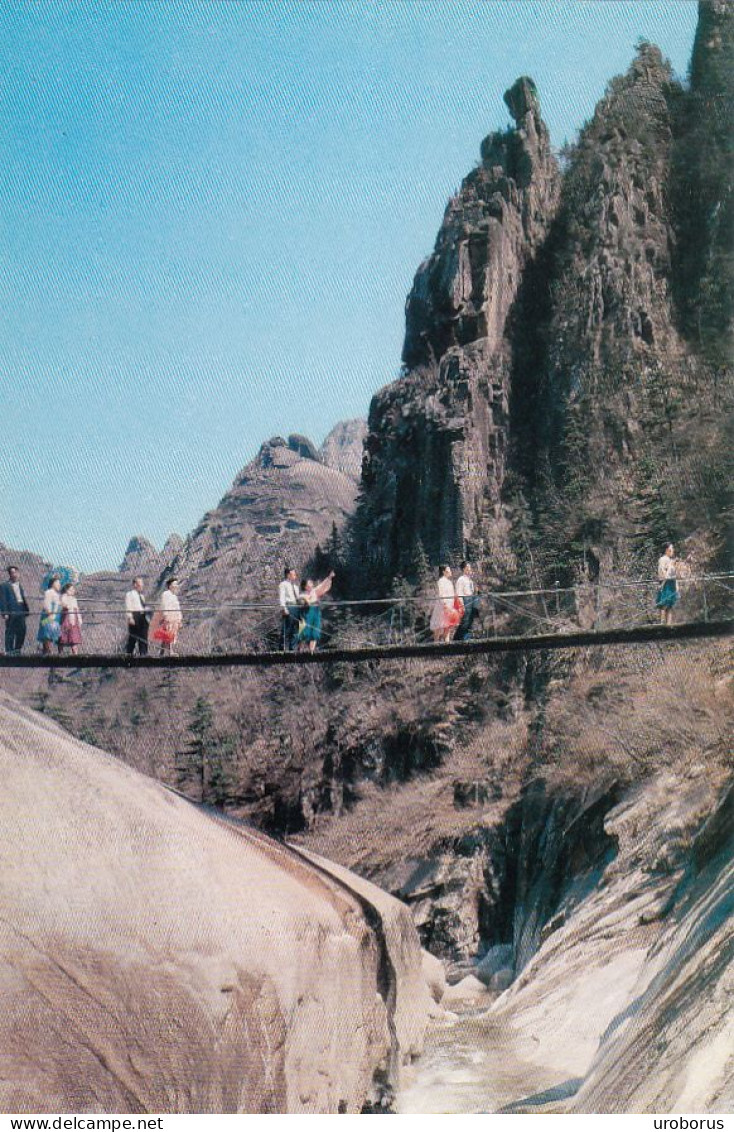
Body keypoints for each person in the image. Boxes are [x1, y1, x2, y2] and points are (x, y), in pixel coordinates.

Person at [298, 572, 334, 653]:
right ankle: (300, 650)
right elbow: (301, 599)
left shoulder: (314, 591)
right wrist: (306, 600)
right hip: (306, 613)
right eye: (309, 583)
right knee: (304, 632)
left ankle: (311, 651)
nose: (311, 584)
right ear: (305, 586)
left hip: (315, 612)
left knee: (315, 631)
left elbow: (322, 586)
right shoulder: (302, 594)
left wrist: (329, 578)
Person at [0, 565, 30, 655]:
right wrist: (5, 612)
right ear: (9, 574)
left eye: (16, 572)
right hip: (11, 610)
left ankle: (17, 649)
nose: (15, 574)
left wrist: (26, 610)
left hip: (21, 609)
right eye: (12, 573)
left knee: (22, 630)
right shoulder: (4, 585)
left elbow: (21, 598)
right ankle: (9, 650)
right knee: (10, 631)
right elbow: (2, 599)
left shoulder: (19, 585)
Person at [149, 578, 183, 655]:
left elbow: (177, 608)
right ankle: (170, 652)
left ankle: (161, 652)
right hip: (168, 618)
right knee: (169, 634)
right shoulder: (166, 594)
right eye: (175, 584)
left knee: (168, 635)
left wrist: (179, 618)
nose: (176, 586)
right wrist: (166, 616)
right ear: (170, 586)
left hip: (174, 618)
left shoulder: (174, 596)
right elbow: (164, 606)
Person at [430, 565, 462, 643]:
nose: (450, 572)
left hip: (449, 607)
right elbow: (441, 594)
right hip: (442, 607)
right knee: (438, 626)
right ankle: (435, 645)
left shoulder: (449, 582)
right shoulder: (441, 581)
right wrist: (444, 604)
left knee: (447, 627)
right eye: (448, 570)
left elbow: (452, 594)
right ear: (444, 572)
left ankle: (447, 645)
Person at [656, 543, 680, 626]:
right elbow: (662, 572)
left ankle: (669, 625)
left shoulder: (670, 560)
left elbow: (674, 573)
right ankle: (662, 624)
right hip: (666, 583)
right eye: (671, 549)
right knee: (664, 604)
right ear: (666, 550)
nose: (672, 551)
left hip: (671, 583)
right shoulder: (663, 559)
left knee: (670, 605)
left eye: (672, 549)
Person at [37, 576, 62, 654]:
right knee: (47, 634)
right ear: (53, 584)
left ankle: (46, 652)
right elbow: (46, 604)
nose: (59, 585)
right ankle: (47, 652)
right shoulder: (49, 592)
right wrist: (50, 613)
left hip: (55, 618)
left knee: (51, 635)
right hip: (49, 616)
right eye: (58, 583)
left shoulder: (57, 594)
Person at [125, 577, 149, 656]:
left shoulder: (142, 596)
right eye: (140, 583)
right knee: (133, 636)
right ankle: (129, 653)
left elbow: (142, 606)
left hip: (142, 616)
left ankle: (143, 653)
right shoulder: (130, 594)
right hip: (135, 615)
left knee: (143, 636)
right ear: (135, 584)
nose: (142, 585)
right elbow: (128, 606)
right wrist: (130, 617)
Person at [278, 567, 301, 652]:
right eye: (293, 574)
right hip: (289, 607)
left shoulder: (295, 587)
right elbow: (282, 597)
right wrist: (283, 608)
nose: (295, 576)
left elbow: (298, 598)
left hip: (296, 607)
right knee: (287, 628)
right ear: (288, 575)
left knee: (296, 629)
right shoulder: (283, 584)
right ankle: (282, 648)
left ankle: (292, 648)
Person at [454, 561, 478, 641]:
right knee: (465, 621)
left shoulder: (470, 580)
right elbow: (459, 593)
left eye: (470, 568)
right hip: (465, 601)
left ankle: (467, 638)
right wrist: (461, 605)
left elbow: (471, 592)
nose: (469, 570)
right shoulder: (461, 579)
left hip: (471, 600)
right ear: (464, 569)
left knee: (470, 621)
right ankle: (457, 640)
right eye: (468, 568)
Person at [58, 582, 82, 655]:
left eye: (73, 589)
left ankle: (76, 658)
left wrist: (80, 619)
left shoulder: (74, 599)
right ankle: (60, 658)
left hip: (73, 621)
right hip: (65, 620)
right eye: (71, 589)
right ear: (66, 590)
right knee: (62, 640)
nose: (73, 591)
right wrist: (66, 605)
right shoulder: (63, 597)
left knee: (74, 641)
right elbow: (63, 605)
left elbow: (77, 609)